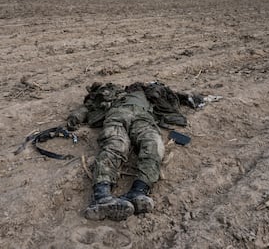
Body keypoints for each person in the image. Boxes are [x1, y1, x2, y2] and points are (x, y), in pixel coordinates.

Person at [67, 81, 203, 221]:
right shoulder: (113, 94)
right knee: (115, 145)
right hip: (117, 115)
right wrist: (75, 117)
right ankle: (102, 196)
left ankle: (138, 192)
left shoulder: (149, 94)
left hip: (143, 117)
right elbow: (89, 106)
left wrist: (193, 98)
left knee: (153, 144)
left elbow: (175, 97)